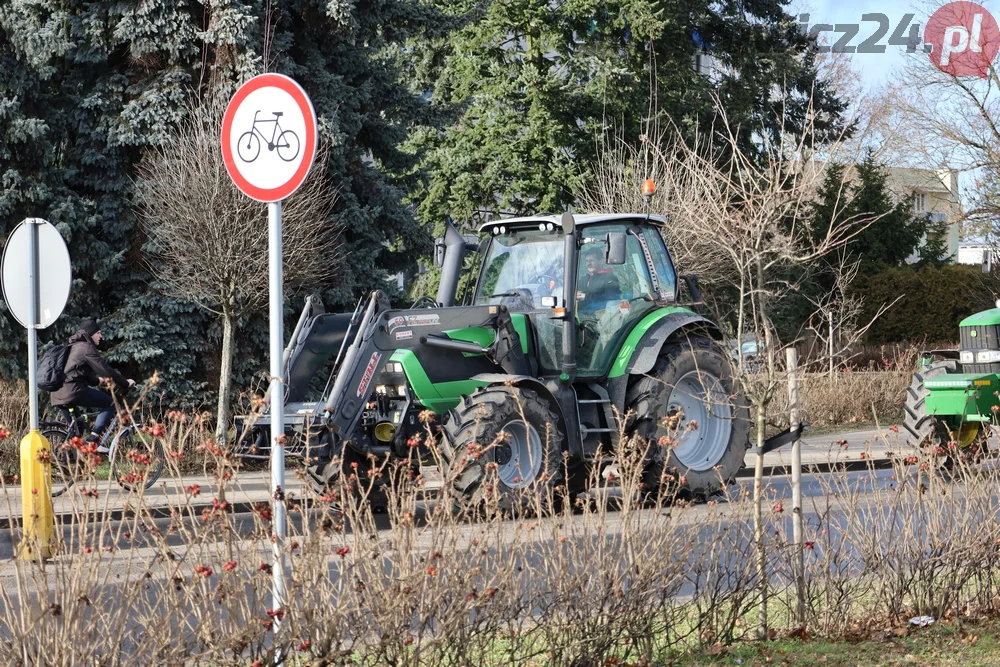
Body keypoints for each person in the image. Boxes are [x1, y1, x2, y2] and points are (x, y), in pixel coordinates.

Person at [50, 319, 134, 452]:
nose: (101, 336)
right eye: (98, 333)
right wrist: (124, 383)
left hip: (57, 393)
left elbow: (77, 373)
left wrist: (98, 381)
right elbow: (105, 369)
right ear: (90, 334)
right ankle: (94, 440)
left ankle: (70, 464)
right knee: (111, 403)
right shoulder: (86, 347)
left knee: (78, 430)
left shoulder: (73, 347)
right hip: (73, 391)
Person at [576, 247, 621, 317]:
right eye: (586, 261)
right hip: (581, 318)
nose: (588, 264)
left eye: (591, 260)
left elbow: (612, 300)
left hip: (602, 318)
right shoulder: (583, 280)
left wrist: (585, 296)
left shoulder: (610, 279)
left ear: (601, 261)